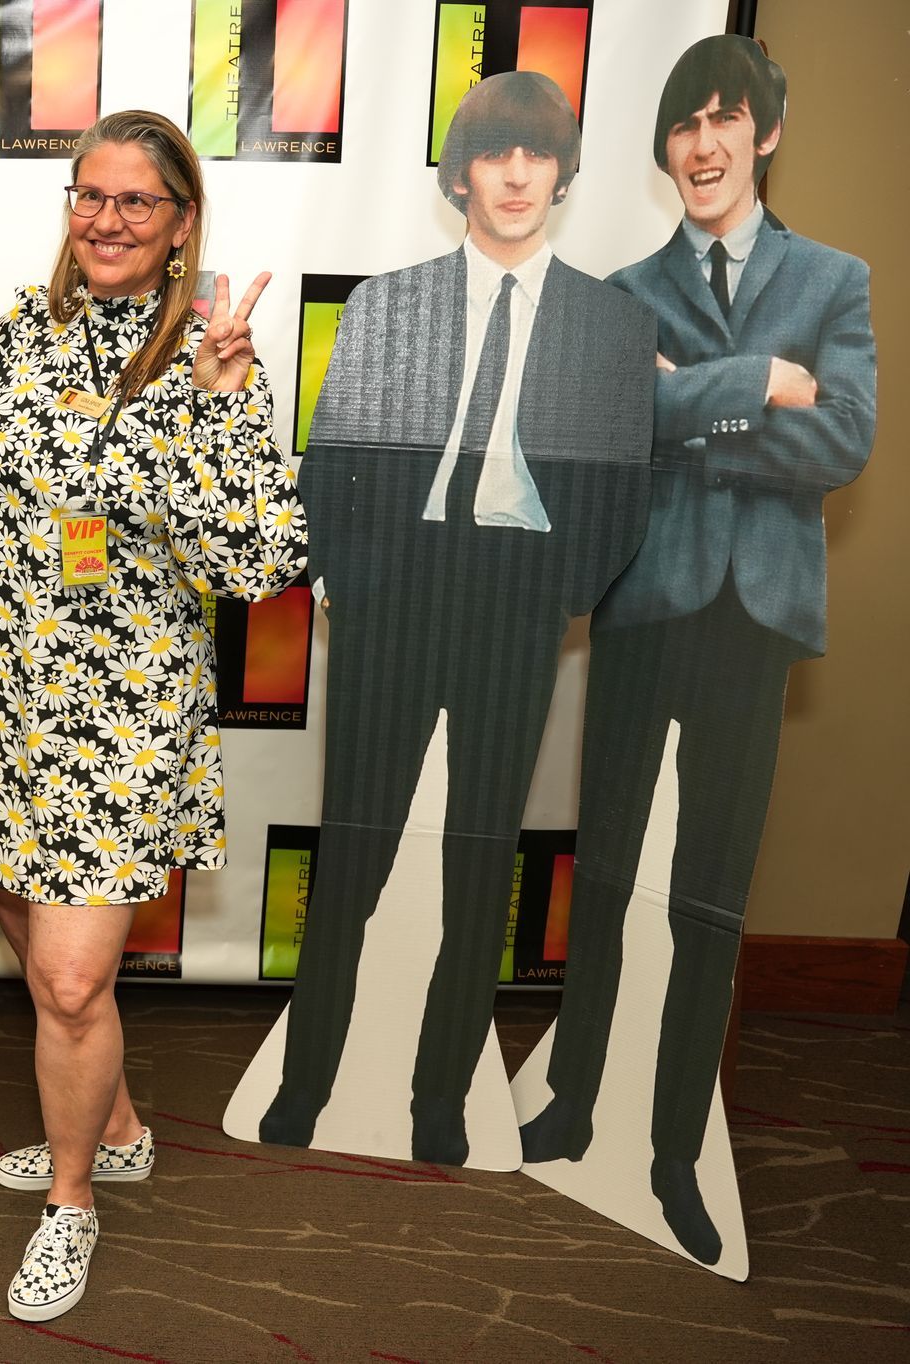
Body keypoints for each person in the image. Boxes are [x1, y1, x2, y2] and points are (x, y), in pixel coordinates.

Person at [518, 36, 875, 1265]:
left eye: (728, 121)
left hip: (757, 622)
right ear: (665, 147)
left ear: (766, 133)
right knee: (608, 873)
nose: (705, 145)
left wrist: (697, 405)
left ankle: (675, 1149)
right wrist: (758, 384)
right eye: (685, 126)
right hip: (646, 607)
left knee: (710, 899)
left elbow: (845, 446)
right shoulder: (622, 292)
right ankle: (572, 1103)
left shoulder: (834, 280)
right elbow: (614, 426)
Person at [256, 73, 656, 1166]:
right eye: (495, 153)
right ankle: (306, 1083)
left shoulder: (610, 324)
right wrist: (337, 574)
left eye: (538, 156)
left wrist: (563, 592)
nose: (517, 175)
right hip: (392, 590)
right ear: (461, 173)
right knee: (354, 852)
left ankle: (441, 1099)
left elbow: (626, 486)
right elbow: (333, 455)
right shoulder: (392, 304)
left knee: (481, 856)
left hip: (517, 599)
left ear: (564, 174)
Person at [0, 111, 302, 1321]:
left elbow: (258, 561)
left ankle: (71, 1200)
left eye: (136, 202)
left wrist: (221, 403)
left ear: (180, 222)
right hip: (6, 706)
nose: (106, 220)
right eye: (89, 196)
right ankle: (123, 1128)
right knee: (21, 926)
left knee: (63, 979)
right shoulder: (13, 342)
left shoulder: (211, 357)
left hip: (122, 723)